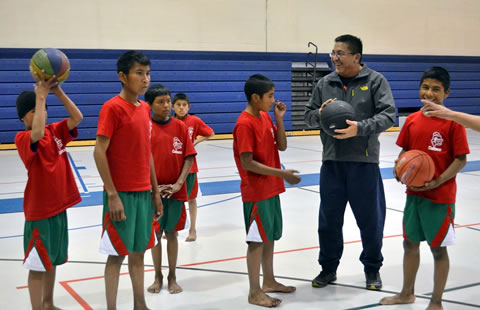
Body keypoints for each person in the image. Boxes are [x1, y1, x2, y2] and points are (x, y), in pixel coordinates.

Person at [304, 34, 396, 290]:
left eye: (340, 53)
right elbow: (308, 117)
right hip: (332, 162)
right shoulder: (325, 83)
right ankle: (328, 269)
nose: (334, 58)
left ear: (356, 57)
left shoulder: (375, 81)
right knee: (329, 220)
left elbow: (389, 116)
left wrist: (360, 128)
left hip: (363, 163)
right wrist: (320, 113)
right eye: (333, 53)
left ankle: (372, 269)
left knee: (370, 221)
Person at [380, 66, 469, 310]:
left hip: (440, 198)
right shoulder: (411, 120)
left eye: (436, 90)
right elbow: (405, 152)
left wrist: (439, 180)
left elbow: (461, 160)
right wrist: (400, 168)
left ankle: (436, 302)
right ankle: (406, 293)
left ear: (446, 93)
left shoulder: (453, 123)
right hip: (414, 197)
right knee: (409, 244)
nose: (429, 93)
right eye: (425, 87)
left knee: (438, 250)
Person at [94, 50, 163, 310]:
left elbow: (148, 154)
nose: (145, 79)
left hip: (143, 194)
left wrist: (155, 192)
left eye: (147, 74)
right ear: (122, 76)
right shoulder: (112, 108)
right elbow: (99, 151)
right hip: (120, 194)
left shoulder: (145, 108)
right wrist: (112, 194)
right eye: (139, 73)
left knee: (138, 253)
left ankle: (140, 304)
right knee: (116, 256)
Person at [15, 71, 83, 310]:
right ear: (24, 118)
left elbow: (77, 117)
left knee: (52, 261)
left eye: (42, 109)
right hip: (39, 213)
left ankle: (48, 303)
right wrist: (40, 96)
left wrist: (57, 92)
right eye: (35, 110)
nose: (42, 112)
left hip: (58, 209)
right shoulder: (23, 138)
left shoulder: (55, 132)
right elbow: (36, 132)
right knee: (37, 264)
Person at [233, 74, 301, 307]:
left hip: (271, 190)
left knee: (269, 237)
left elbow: (281, 145)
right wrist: (282, 173)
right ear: (255, 97)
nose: (273, 100)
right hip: (256, 193)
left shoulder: (264, 116)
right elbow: (247, 162)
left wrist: (279, 119)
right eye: (270, 96)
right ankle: (254, 292)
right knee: (256, 242)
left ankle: (269, 281)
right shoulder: (244, 123)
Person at [145, 84, 196, 294]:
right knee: (155, 236)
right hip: (150, 193)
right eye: (161, 102)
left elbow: (189, 157)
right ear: (150, 105)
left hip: (174, 193)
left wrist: (178, 184)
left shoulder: (180, 127)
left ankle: (173, 275)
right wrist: (152, 187)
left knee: (172, 235)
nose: (167, 106)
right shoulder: (144, 126)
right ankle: (157, 276)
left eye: (168, 101)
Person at [172, 93, 215, 242]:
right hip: (174, 167)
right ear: (173, 107)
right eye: (178, 105)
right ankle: (174, 228)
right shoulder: (169, 122)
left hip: (190, 168)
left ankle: (193, 229)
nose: (181, 107)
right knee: (174, 199)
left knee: (191, 199)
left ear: (188, 107)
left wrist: (196, 142)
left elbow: (210, 133)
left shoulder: (194, 121)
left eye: (184, 105)